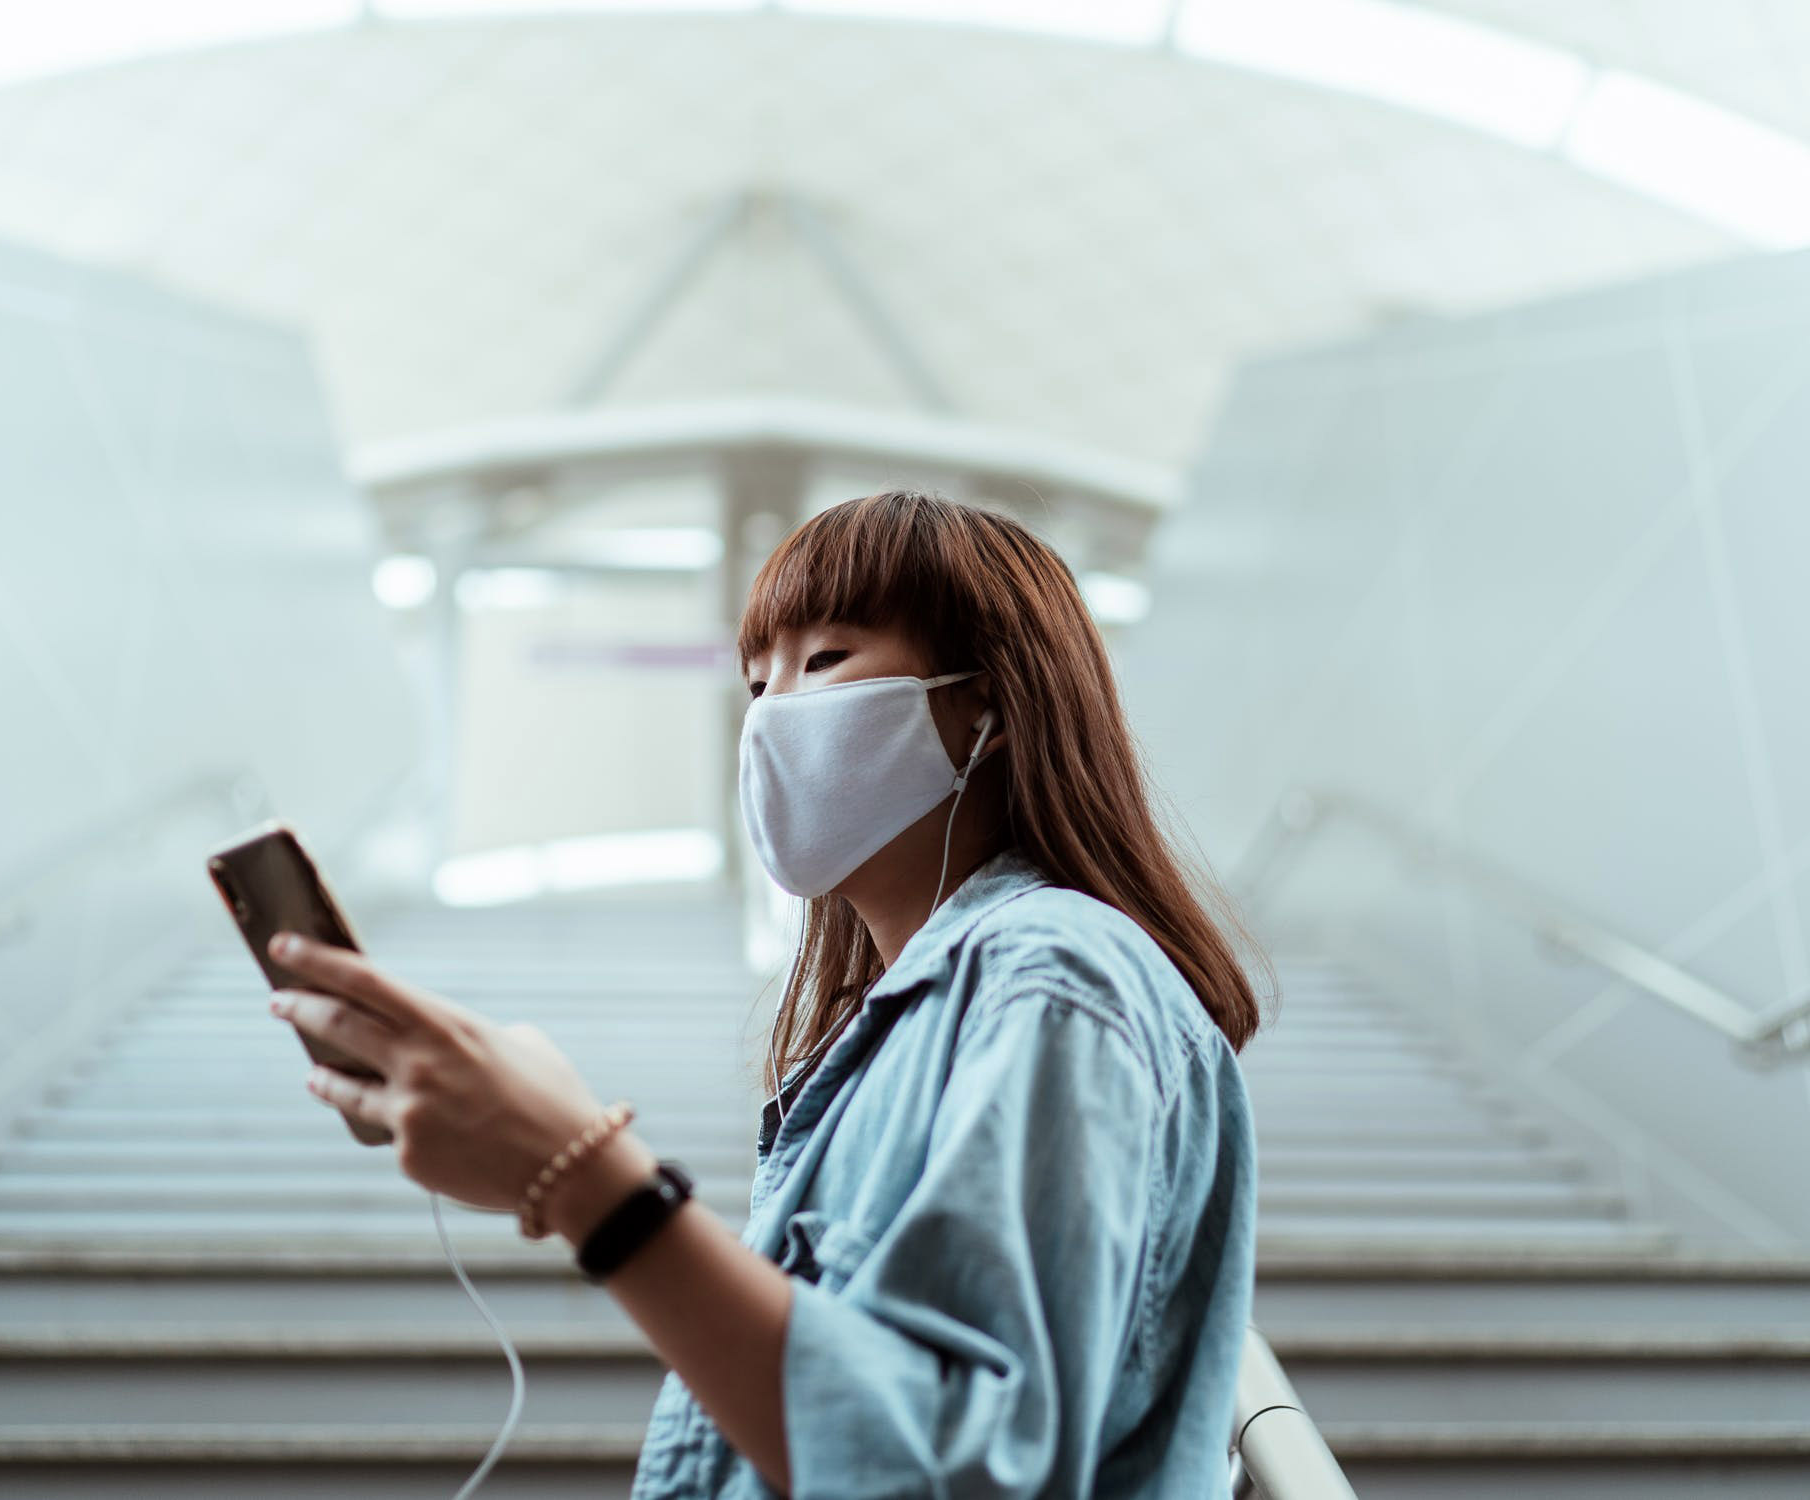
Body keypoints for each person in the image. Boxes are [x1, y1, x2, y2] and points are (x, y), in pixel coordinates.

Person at [265, 488, 1263, 1497]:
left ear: (988, 707)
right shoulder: (897, 1028)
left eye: (825, 661)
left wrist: (582, 1179)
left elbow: (968, 1470)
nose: (773, 715)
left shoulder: (1051, 973)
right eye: (755, 682)